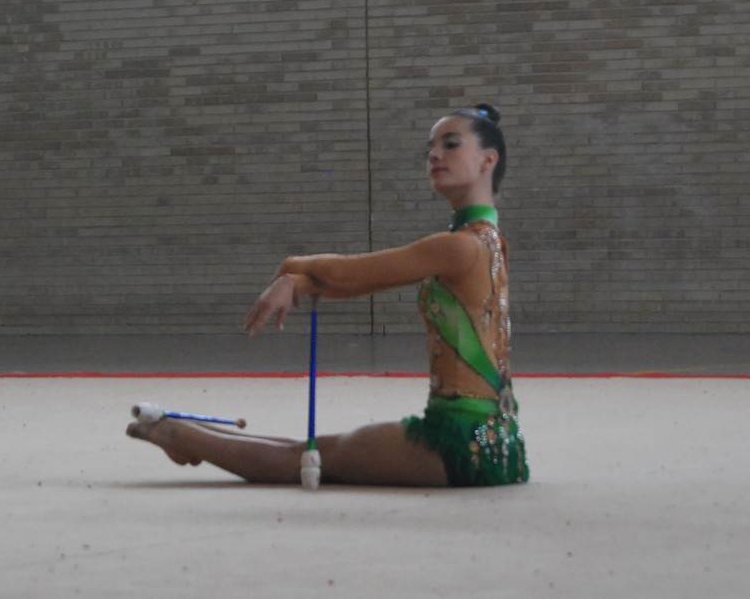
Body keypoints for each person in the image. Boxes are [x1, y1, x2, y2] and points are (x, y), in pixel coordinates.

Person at [127, 103, 529, 487]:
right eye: (430, 149)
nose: (435, 155)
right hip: (496, 440)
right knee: (311, 450)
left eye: (451, 144)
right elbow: (364, 283)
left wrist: (292, 267)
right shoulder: (485, 241)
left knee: (304, 458)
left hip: (458, 444)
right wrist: (299, 283)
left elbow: (349, 273)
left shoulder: (459, 247)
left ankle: (179, 434)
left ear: (487, 161)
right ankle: (189, 433)